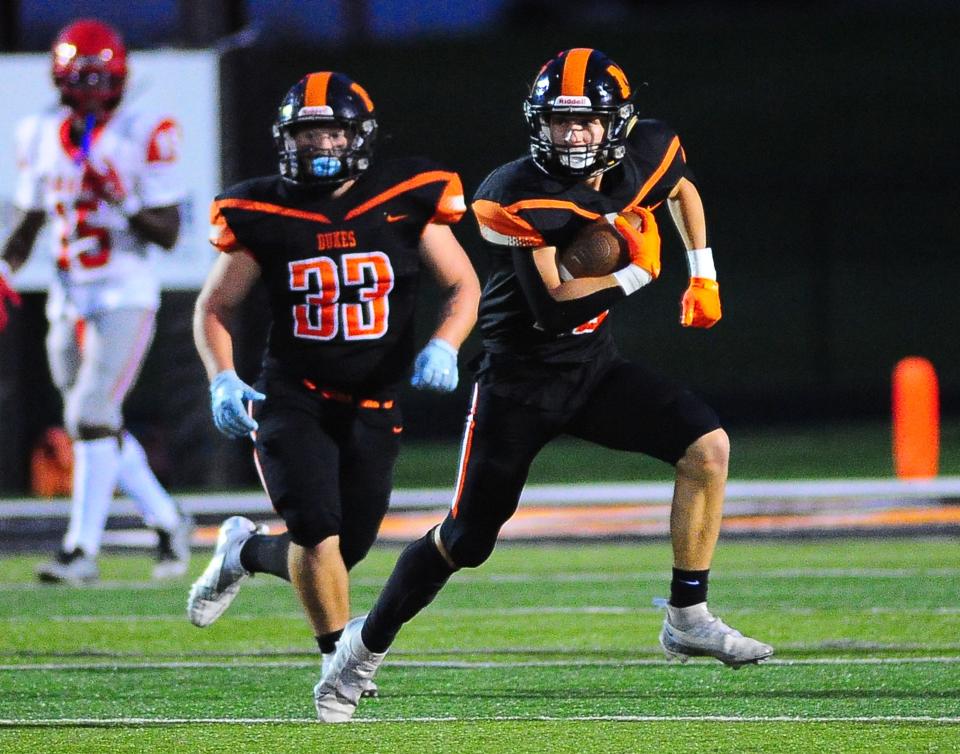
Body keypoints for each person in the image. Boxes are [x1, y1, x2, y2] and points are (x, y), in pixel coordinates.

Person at [314, 47, 773, 722]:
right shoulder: (513, 190)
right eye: (560, 122)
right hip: (519, 379)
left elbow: (680, 187)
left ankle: (687, 614)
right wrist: (636, 273)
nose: (573, 136)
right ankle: (358, 651)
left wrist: (702, 269)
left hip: (593, 368)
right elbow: (552, 304)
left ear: (617, 124)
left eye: (586, 123)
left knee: (707, 448)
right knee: (466, 540)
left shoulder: (650, 147)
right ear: (538, 124)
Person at [187, 71, 480, 699]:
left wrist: (444, 343)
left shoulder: (404, 196)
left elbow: (463, 284)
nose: (319, 145)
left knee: (344, 549)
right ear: (284, 140)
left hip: (373, 402)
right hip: (293, 396)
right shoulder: (263, 209)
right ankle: (338, 662)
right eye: (306, 133)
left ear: (359, 136)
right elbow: (215, 306)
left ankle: (243, 552)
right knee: (316, 531)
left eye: (331, 131)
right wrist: (223, 378)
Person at [0, 18, 192, 584]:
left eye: (98, 76)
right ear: (59, 78)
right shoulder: (38, 132)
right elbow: (31, 219)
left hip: (124, 290)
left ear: (119, 78)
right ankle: (167, 518)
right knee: (94, 423)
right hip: (67, 296)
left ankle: (80, 551)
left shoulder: (145, 131)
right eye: (78, 76)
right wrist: (2, 268)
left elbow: (168, 233)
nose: (88, 88)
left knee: (89, 416)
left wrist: (123, 198)